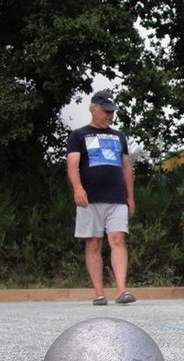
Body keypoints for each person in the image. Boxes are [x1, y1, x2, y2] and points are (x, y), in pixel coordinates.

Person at [66, 90, 137, 306]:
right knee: (94, 242)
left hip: (116, 197)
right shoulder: (78, 136)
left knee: (117, 239)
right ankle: (99, 292)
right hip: (90, 198)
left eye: (112, 112)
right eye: (106, 111)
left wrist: (130, 197)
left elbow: (126, 167)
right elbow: (72, 164)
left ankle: (122, 290)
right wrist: (78, 187)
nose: (109, 116)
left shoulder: (119, 136)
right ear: (93, 109)